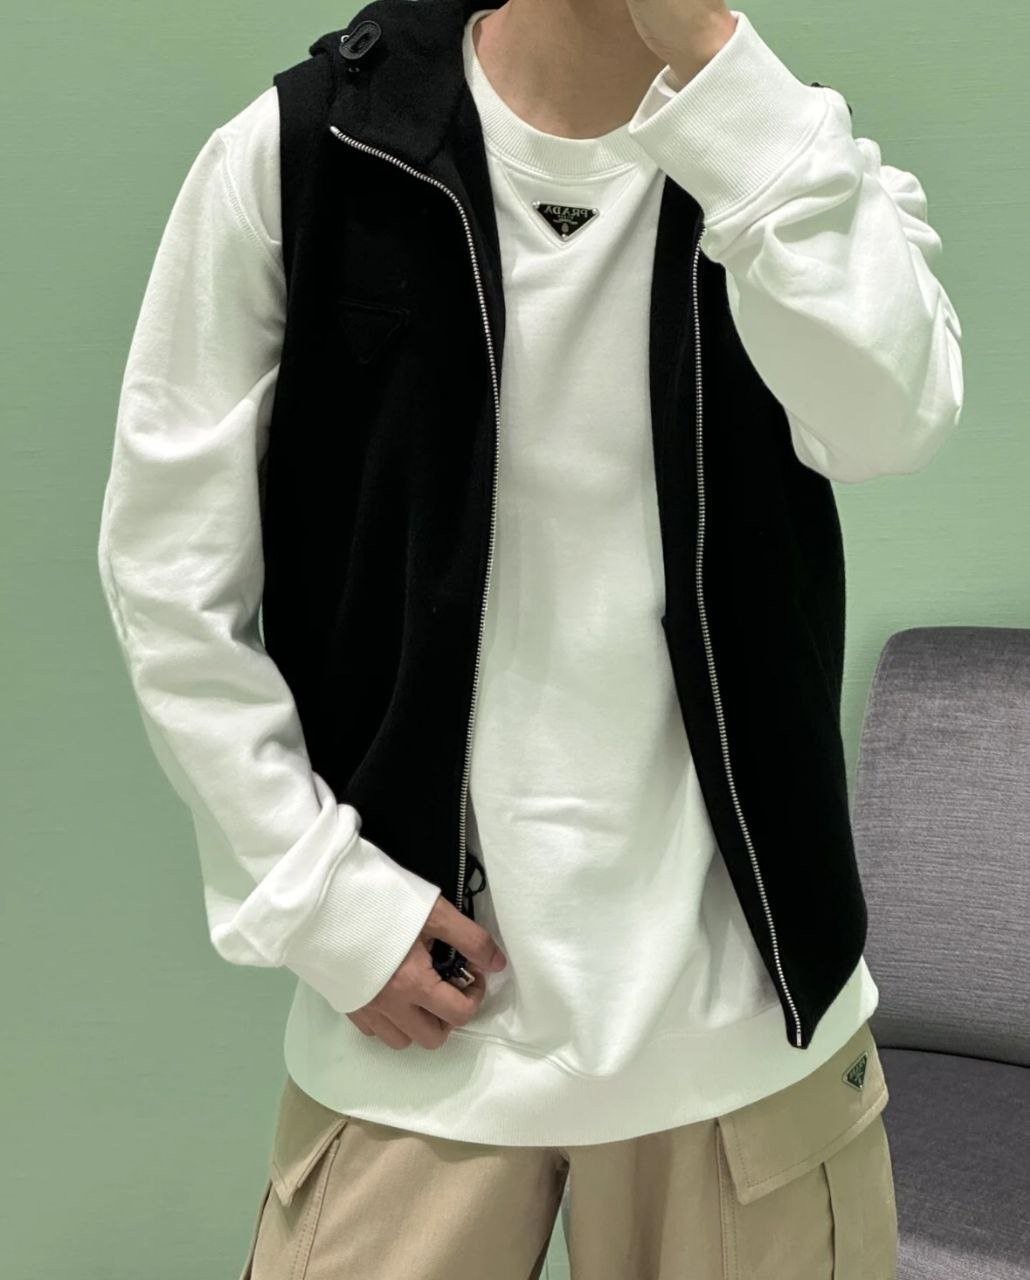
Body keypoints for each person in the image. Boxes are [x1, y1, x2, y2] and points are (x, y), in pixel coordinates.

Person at [96, 0, 963, 1275]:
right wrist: (321, 900)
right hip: (421, 1023)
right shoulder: (307, 151)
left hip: (747, 1031)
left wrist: (719, 69)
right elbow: (168, 576)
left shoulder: (782, 155)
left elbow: (891, 421)